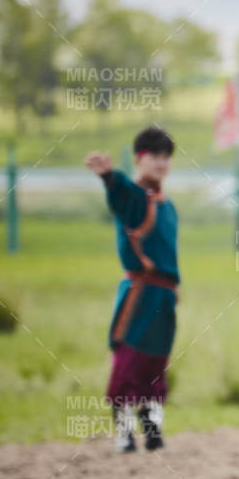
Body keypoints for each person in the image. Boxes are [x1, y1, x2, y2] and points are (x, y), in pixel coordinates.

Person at [85, 126, 178, 452]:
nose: (162, 163)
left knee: (156, 363)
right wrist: (110, 176)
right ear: (141, 158)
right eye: (155, 157)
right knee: (131, 360)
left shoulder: (166, 204)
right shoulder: (136, 198)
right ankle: (124, 432)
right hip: (141, 293)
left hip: (165, 295)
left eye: (166, 157)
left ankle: (152, 430)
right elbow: (122, 197)